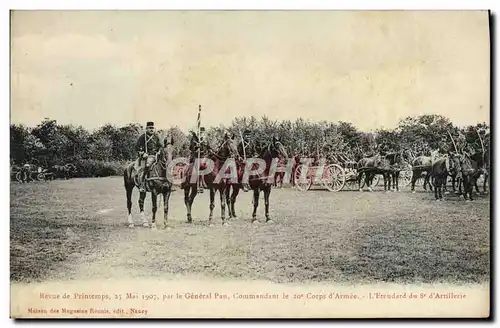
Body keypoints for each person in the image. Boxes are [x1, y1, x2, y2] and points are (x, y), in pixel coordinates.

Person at [135, 121, 162, 192]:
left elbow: (160, 146)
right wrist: (142, 153)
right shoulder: (143, 137)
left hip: (155, 156)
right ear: (146, 128)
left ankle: (166, 183)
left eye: (152, 128)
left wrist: (159, 151)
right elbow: (137, 147)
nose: (151, 129)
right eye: (150, 128)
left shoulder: (156, 137)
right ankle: (142, 184)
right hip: (146, 156)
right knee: (147, 166)